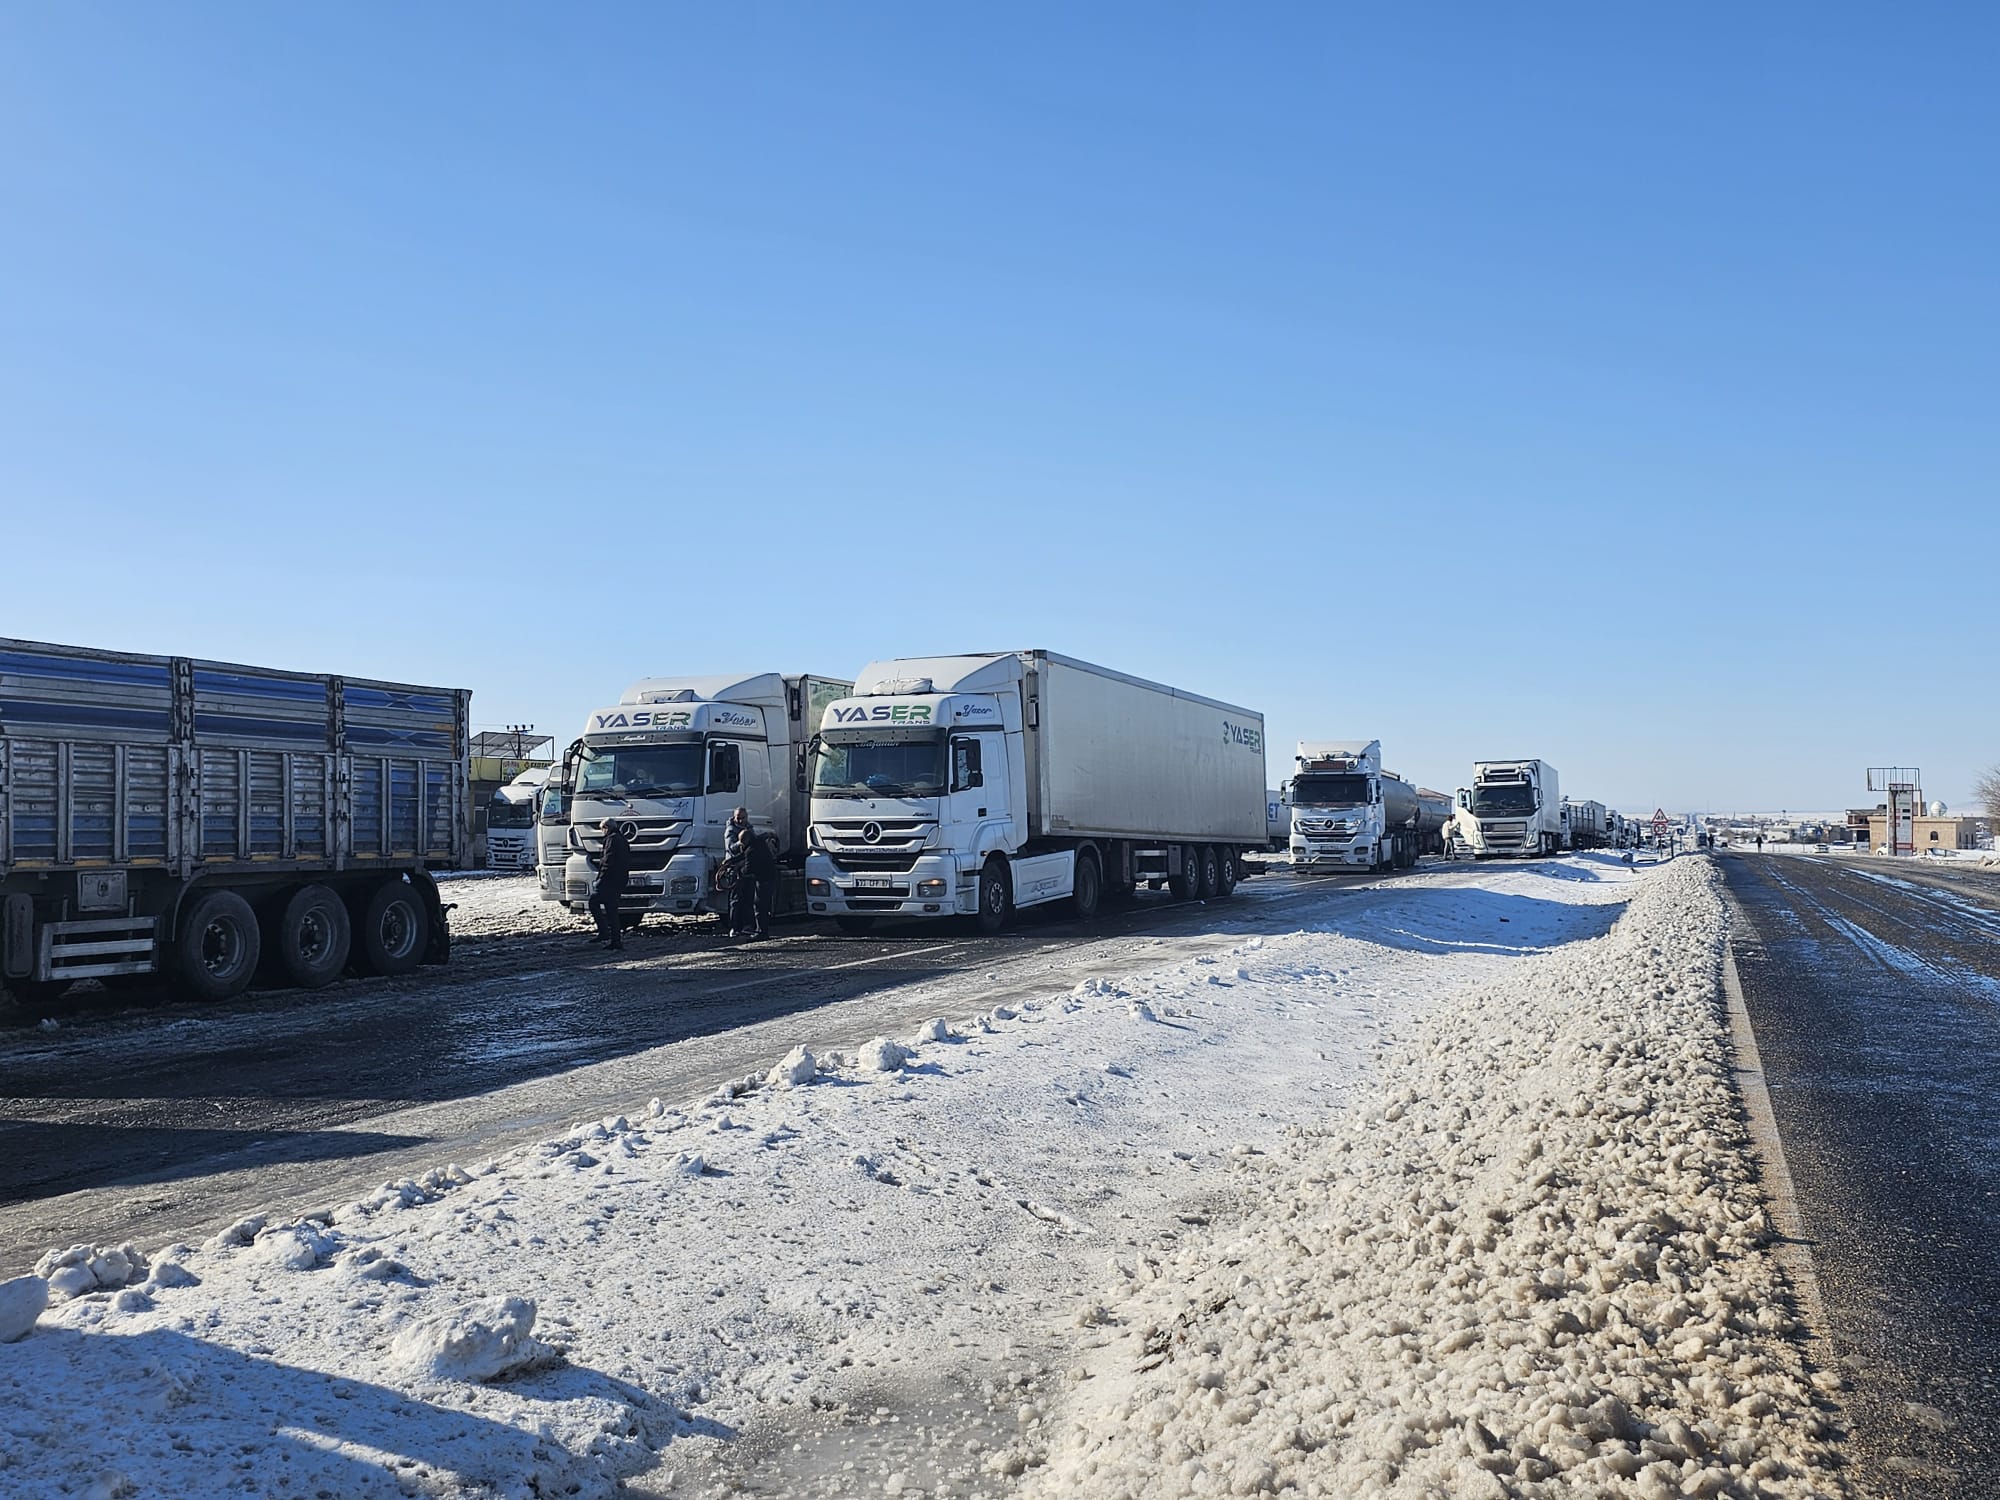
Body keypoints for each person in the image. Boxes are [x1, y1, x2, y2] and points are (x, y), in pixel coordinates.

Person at [726, 806, 776, 940]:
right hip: (739, 869)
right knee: (737, 900)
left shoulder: (751, 842)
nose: (741, 820)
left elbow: (749, 864)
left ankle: (755, 929)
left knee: (756, 903)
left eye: (743, 817)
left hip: (757, 875)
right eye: (738, 817)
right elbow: (731, 849)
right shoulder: (731, 831)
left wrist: (742, 869)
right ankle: (735, 927)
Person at [589, 818, 632, 950]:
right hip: (619, 880)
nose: (602, 832)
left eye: (602, 829)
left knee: (593, 902)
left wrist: (600, 878)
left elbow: (607, 860)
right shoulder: (622, 839)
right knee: (612, 910)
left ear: (606, 828)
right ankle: (615, 940)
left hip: (609, 880)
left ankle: (604, 932)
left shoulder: (611, 839)